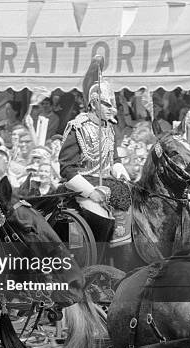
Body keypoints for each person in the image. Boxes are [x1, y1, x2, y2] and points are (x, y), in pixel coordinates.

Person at [59, 57, 131, 249]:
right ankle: (99, 260)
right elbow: (67, 168)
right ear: (93, 103)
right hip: (84, 185)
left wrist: (119, 169)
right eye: (107, 105)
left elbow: (113, 158)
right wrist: (91, 192)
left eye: (113, 105)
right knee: (101, 217)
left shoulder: (109, 127)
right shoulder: (77, 128)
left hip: (108, 183)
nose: (112, 110)